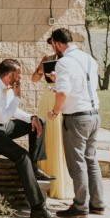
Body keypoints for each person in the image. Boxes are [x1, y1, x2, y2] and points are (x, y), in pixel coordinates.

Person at [0, 58, 62, 218]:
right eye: (19, 74)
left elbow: (13, 112)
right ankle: (38, 209)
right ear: (9, 75)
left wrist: (31, 118)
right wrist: (17, 96)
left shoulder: (4, 87)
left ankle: (34, 167)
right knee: (22, 157)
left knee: (38, 122)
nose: (21, 77)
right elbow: (5, 117)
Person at [46, 28, 106, 218]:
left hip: (77, 118)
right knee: (91, 159)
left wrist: (55, 112)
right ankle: (97, 204)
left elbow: (63, 93)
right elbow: (84, 85)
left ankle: (80, 206)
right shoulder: (89, 59)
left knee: (77, 162)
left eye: (53, 44)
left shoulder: (63, 62)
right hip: (94, 114)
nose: (53, 48)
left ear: (57, 43)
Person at [33, 50, 74, 200]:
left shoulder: (70, 60)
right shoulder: (48, 58)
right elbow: (34, 78)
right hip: (47, 99)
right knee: (46, 137)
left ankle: (62, 183)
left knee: (60, 140)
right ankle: (45, 179)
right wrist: (40, 70)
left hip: (60, 100)